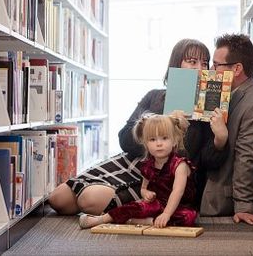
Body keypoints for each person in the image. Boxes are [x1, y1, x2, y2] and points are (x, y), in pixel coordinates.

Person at [48, 38, 228, 217]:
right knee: (58, 199)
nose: (199, 68)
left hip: (162, 177)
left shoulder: (207, 109)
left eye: (204, 64)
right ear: (176, 64)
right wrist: (157, 124)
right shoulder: (155, 96)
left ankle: (131, 210)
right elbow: (125, 138)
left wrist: (220, 139)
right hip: (131, 161)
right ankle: (115, 208)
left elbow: (205, 164)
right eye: (192, 62)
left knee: (89, 200)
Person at [200, 34, 253, 225]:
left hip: (225, 196)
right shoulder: (223, 92)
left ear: (236, 69)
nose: (211, 70)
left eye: (216, 65)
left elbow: (248, 155)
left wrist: (243, 204)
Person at [79, 113, 197, 230]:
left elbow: (178, 192)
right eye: (153, 139)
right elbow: (143, 188)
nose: (159, 143)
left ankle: (144, 221)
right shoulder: (148, 165)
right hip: (157, 203)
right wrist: (146, 193)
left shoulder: (179, 165)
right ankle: (100, 219)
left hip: (179, 206)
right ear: (145, 143)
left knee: (188, 217)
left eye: (164, 138)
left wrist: (166, 213)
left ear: (175, 140)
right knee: (131, 207)